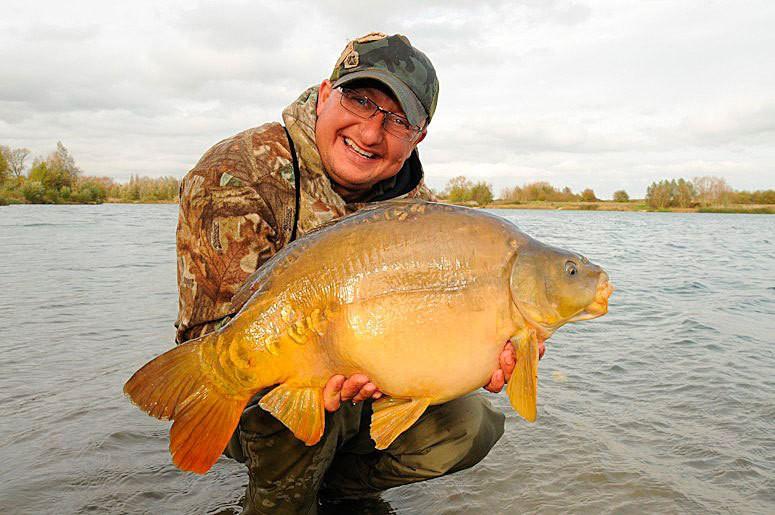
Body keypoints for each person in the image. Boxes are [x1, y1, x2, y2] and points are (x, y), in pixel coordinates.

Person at [174, 32, 532, 514]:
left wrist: (481, 352)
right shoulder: (237, 172)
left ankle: (341, 493)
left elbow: (432, 330)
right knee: (294, 416)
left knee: (470, 425)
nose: (370, 132)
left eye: (398, 120)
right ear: (325, 94)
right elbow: (210, 330)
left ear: (419, 137)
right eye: (360, 100)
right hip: (264, 384)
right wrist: (317, 359)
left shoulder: (420, 213)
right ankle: (281, 501)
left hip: (367, 377)